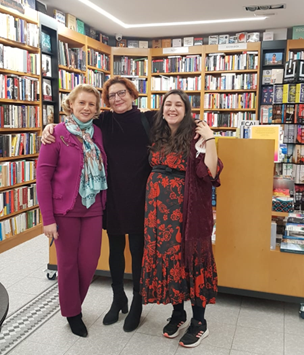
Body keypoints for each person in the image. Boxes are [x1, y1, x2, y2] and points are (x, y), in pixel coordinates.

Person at [41, 76, 155, 332]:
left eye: (122, 93)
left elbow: (177, 118)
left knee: (128, 253)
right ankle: (111, 300)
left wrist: (203, 131)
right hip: (107, 199)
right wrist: (48, 128)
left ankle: (137, 301)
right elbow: (70, 128)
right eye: (112, 95)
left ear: (132, 94)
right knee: (109, 253)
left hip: (136, 199)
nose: (118, 98)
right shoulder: (98, 123)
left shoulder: (146, 119)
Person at [140, 89, 223, 349]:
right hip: (157, 215)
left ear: (187, 110)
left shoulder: (196, 136)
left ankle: (199, 323)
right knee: (170, 260)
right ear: (161, 109)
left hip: (187, 215)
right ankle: (178, 314)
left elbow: (210, 172)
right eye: (168, 104)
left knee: (191, 260)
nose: (172, 109)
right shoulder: (157, 135)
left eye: (178, 105)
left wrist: (210, 139)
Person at [37, 84, 108, 337]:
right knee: (67, 265)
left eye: (91, 104)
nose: (86, 108)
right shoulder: (55, 133)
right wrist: (48, 220)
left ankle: (72, 304)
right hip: (63, 210)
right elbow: (43, 178)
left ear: (97, 108)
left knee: (88, 263)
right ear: (71, 105)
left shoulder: (98, 132)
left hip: (93, 207)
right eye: (82, 103)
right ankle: (73, 313)